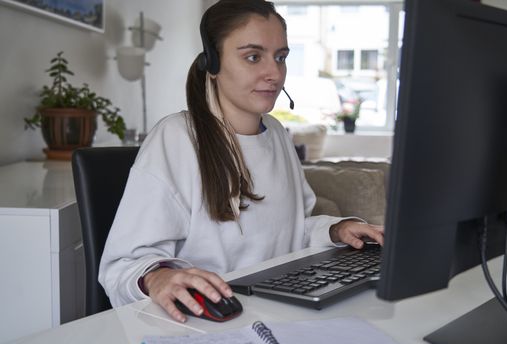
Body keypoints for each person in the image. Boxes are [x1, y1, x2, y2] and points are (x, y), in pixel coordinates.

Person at [99, 0, 384, 323]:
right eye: (253, 57)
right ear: (214, 62)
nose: (274, 73)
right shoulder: (176, 138)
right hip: (205, 325)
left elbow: (289, 231)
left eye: (281, 57)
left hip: (281, 313)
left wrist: (335, 229)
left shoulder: (276, 133)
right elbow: (122, 266)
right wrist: (155, 277)